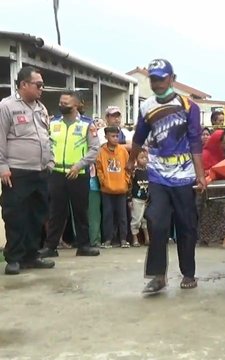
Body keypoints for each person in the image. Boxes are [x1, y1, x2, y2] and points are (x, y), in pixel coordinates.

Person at [128, 58, 206, 294]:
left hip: (184, 175)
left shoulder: (189, 106)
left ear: (172, 79)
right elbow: (138, 138)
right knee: (155, 221)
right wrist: (131, 160)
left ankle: (188, 273)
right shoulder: (146, 106)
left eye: (162, 78)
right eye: (153, 79)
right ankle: (158, 275)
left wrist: (200, 175)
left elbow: (195, 142)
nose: (157, 83)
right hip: (158, 173)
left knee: (186, 224)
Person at [0, 66, 55, 275]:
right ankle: (14, 258)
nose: (42, 89)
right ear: (24, 85)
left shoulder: (41, 108)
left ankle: (31, 256)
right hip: (16, 172)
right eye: (38, 85)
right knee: (16, 216)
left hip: (40, 171)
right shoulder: (7, 106)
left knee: (37, 215)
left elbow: (46, 137)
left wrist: (50, 162)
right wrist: (2, 167)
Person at [39, 91, 100, 258]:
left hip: (78, 173)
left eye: (65, 103)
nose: (61, 105)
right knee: (56, 212)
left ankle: (84, 246)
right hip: (57, 174)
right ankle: (51, 247)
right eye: (60, 102)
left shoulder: (88, 124)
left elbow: (95, 149)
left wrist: (79, 165)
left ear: (76, 105)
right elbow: (47, 145)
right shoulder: (53, 123)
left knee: (81, 211)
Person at [198, 129, 225, 248]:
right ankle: (205, 239)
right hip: (210, 188)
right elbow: (201, 171)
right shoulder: (206, 154)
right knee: (208, 213)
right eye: (223, 143)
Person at [97, 126, 131, 248]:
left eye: (117, 136)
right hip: (107, 189)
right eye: (113, 136)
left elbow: (128, 168)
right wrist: (103, 181)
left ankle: (123, 239)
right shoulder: (101, 152)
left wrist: (126, 181)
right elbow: (99, 168)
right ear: (106, 137)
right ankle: (107, 240)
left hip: (121, 188)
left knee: (122, 216)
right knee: (107, 215)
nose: (115, 138)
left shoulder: (123, 151)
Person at [129, 149, 150, 247]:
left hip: (146, 199)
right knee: (136, 219)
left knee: (145, 219)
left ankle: (147, 238)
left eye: (146, 157)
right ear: (136, 159)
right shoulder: (134, 172)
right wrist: (130, 199)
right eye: (142, 158)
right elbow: (130, 186)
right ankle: (135, 238)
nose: (144, 160)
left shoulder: (149, 171)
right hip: (136, 199)